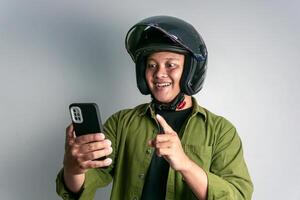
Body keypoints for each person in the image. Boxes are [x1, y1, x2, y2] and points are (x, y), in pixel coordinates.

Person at [56, 15, 253, 200]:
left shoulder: (221, 131)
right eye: (151, 65)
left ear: (189, 72)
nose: (159, 73)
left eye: (170, 65)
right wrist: (73, 169)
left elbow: (238, 195)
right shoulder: (121, 123)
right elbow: (83, 186)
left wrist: (184, 164)